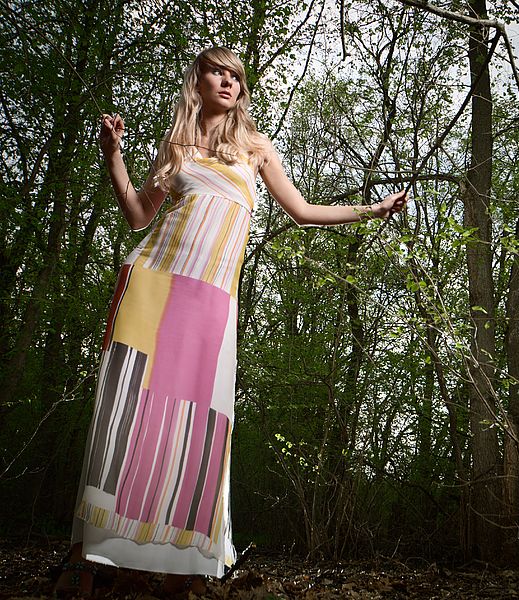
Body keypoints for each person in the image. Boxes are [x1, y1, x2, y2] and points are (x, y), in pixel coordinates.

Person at [54, 46, 407, 597]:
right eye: (216, 72)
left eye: (235, 76)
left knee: (200, 424)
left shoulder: (256, 148)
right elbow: (138, 216)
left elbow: (303, 210)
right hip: (152, 285)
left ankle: (180, 565)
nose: (227, 81)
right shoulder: (176, 148)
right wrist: (114, 155)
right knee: (124, 412)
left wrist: (372, 208)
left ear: (242, 88)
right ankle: (88, 554)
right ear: (198, 82)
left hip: (212, 300)